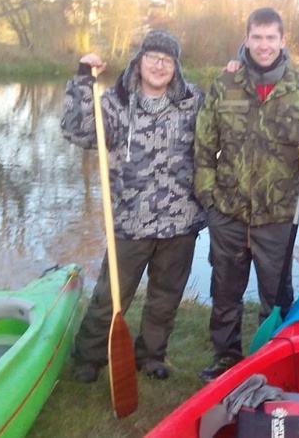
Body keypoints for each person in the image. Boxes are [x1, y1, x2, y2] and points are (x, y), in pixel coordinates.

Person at [194, 7, 299, 382]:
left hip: (277, 213)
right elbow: (203, 146)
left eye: (271, 37)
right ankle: (226, 357)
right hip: (228, 210)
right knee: (225, 290)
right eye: (257, 37)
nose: (263, 45)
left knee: (276, 295)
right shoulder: (225, 84)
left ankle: (274, 357)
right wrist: (209, 200)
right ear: (246, 39)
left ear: (283, 41)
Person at [60, 29, 205, 382]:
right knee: (110, 296)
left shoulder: (194, 102)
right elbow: (77, 131)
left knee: (165, 298)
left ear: (176, 67)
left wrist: (233, 74)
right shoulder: (114, 102)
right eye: (153, 57)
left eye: (167, 60)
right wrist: (82, 81)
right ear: (139, 61)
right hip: (129, 220)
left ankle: (151, 355)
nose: (159, 65)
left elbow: (225, 130)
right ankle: (89, 356)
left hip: (180, 221)